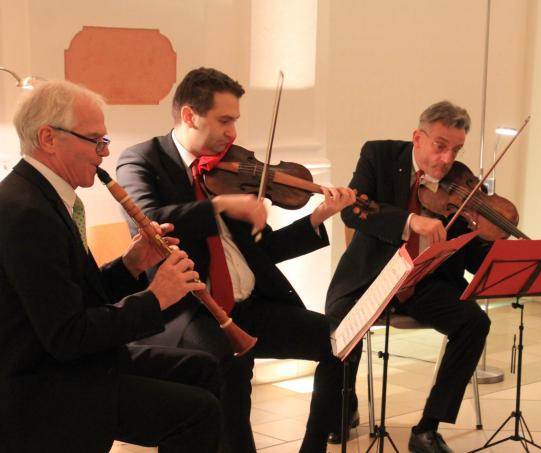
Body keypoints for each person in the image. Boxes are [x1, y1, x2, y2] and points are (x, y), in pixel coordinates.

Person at [116, 67, 357, 453]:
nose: (233, 133)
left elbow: (264, 251)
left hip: (248, 306)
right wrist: (219, 206)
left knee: (341, 341)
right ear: (190, 115)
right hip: (187, 310)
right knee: (231, 362)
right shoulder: (141, 160)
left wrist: (317, 217)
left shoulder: (228, 170)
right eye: (224, 120)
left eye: (235, 121)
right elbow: (149, 222)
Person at [0, 80, 221, 452]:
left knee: (204, 369)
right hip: (42, 388)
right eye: (95, 140)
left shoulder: (44, 196)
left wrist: (130, 266)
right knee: (199, 412)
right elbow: (68, 335)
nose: (104, 152)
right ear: (48, 138)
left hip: (67, 364)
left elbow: (76, 296)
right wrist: (156, 298)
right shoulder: (26, 211)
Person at [326, 100, 492, 453]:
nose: (447, 159)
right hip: (372, 275)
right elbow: (354, 210)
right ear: (418, 137)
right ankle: (343, 404)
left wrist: (494, 238)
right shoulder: (379, 155)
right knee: (340, 319)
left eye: (456, 150)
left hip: (426, 281)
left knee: (474, 323)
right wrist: (410, 221)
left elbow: (473, 256)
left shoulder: (462, 185)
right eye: (440, 146)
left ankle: (428, 428)